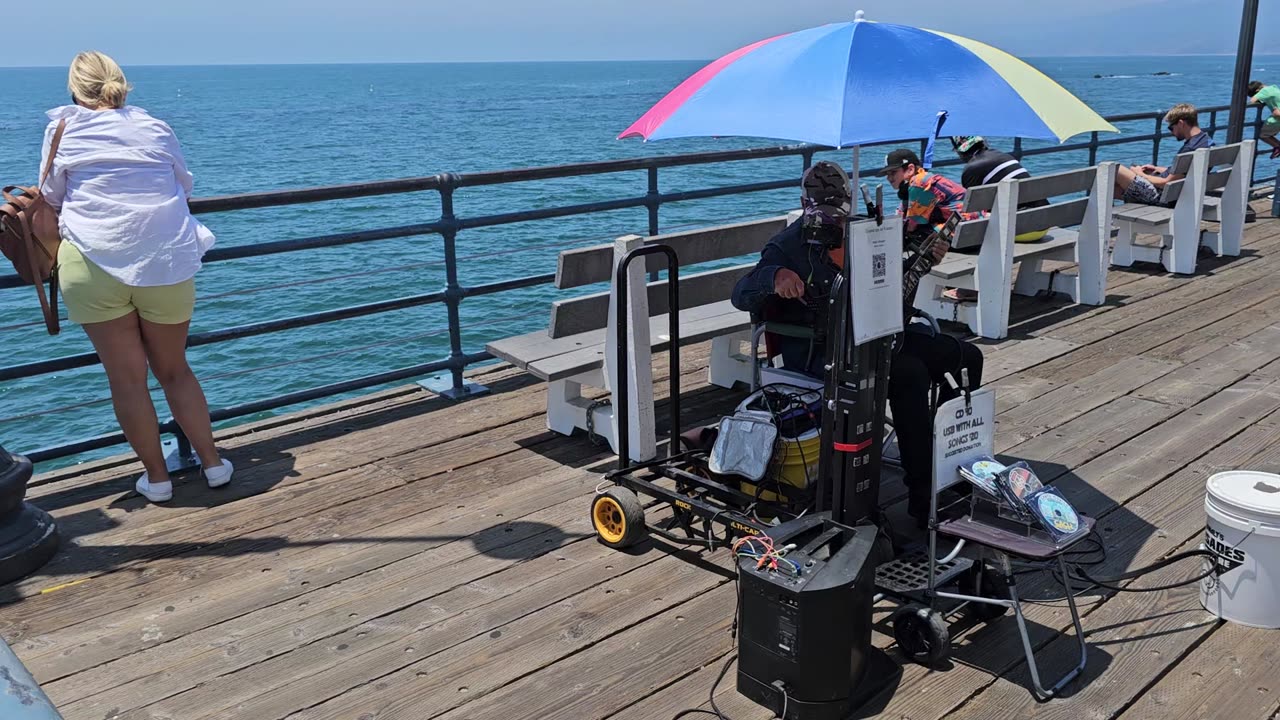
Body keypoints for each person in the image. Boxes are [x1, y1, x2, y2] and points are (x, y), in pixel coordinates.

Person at [731, 161, 984, 528]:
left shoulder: (864, 233)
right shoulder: (787, 246)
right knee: (909, 374)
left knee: (966, 357)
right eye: (825, 211)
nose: (833, 221)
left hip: (877, 336)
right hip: (824, 351)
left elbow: (890, 292)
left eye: (839, 212)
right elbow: (741, 294)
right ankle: (923, 494)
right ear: (805, 204)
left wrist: (922, 260)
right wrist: (775, 276)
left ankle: (948, 462)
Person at [41, 51, 232, 503]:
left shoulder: (62, 128)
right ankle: (213, 465)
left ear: (75, 90)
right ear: (122, 84)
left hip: (91, 265)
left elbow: (51, 195)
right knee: (175, 370)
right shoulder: (155, 126)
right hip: (165, 261)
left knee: (127, 380)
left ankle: (159, 480)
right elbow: (182, 185)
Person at [878, 147, 981, 300]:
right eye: (887, 174)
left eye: (893, 173)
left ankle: (895, 288)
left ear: (910, 169)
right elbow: (905, 216)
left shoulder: (919, 183)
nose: (889, 178)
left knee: (912, 238)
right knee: (912, 236)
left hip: (961, 234)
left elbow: (913, 223)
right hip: (973, 231)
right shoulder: (925, 180)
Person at [951, 135, 1049, 243]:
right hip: (1044, 223)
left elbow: (969, 208)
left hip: (1023, 230)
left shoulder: (971, 168)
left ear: (960, 152)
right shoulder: (1004, 156)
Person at [1113, 103, 1215, 206]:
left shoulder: (1190, 149)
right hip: (1179, 193)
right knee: (1115, 186)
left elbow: (1165, 183)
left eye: (1171, 128)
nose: (1172, 132)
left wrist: (1140, 174)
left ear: (1181, 123)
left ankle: (1105, 219)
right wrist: (1157, 168)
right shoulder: (1205, 141)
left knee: (1116, 170)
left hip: (1162, 196)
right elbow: (1182, 173)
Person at [1246, 80, 1280, 159]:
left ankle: (1277, 146)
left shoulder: (1263, 91)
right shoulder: (1274, 87)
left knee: (1263, 135)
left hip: (1277, 117)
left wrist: (1257, 98)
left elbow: (1251, 101)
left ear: (1257, 90)